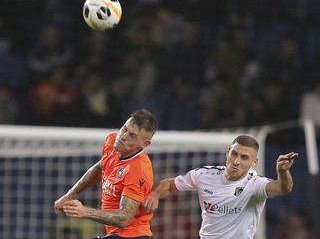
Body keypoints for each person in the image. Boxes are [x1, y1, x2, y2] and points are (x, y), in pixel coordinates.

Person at [143, 135, 298, 239]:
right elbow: (169, 184)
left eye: (244, 157)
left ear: (254, 163)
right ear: (227, 153)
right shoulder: (204, 175)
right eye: (234, 154)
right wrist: (154, 195)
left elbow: (283, 188)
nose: (236, 161)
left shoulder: (255, 184)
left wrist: (282, 172)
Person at [54, 109, 158, 239]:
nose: (123, 137)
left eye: (132, 136)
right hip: (115, 234)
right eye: (125, 129)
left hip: (133, 236)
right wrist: (70, 194)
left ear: (144, 144)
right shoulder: (112, 142)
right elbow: (99, 168)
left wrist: (85, 212)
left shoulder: (138, 169)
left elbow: (124, 218)